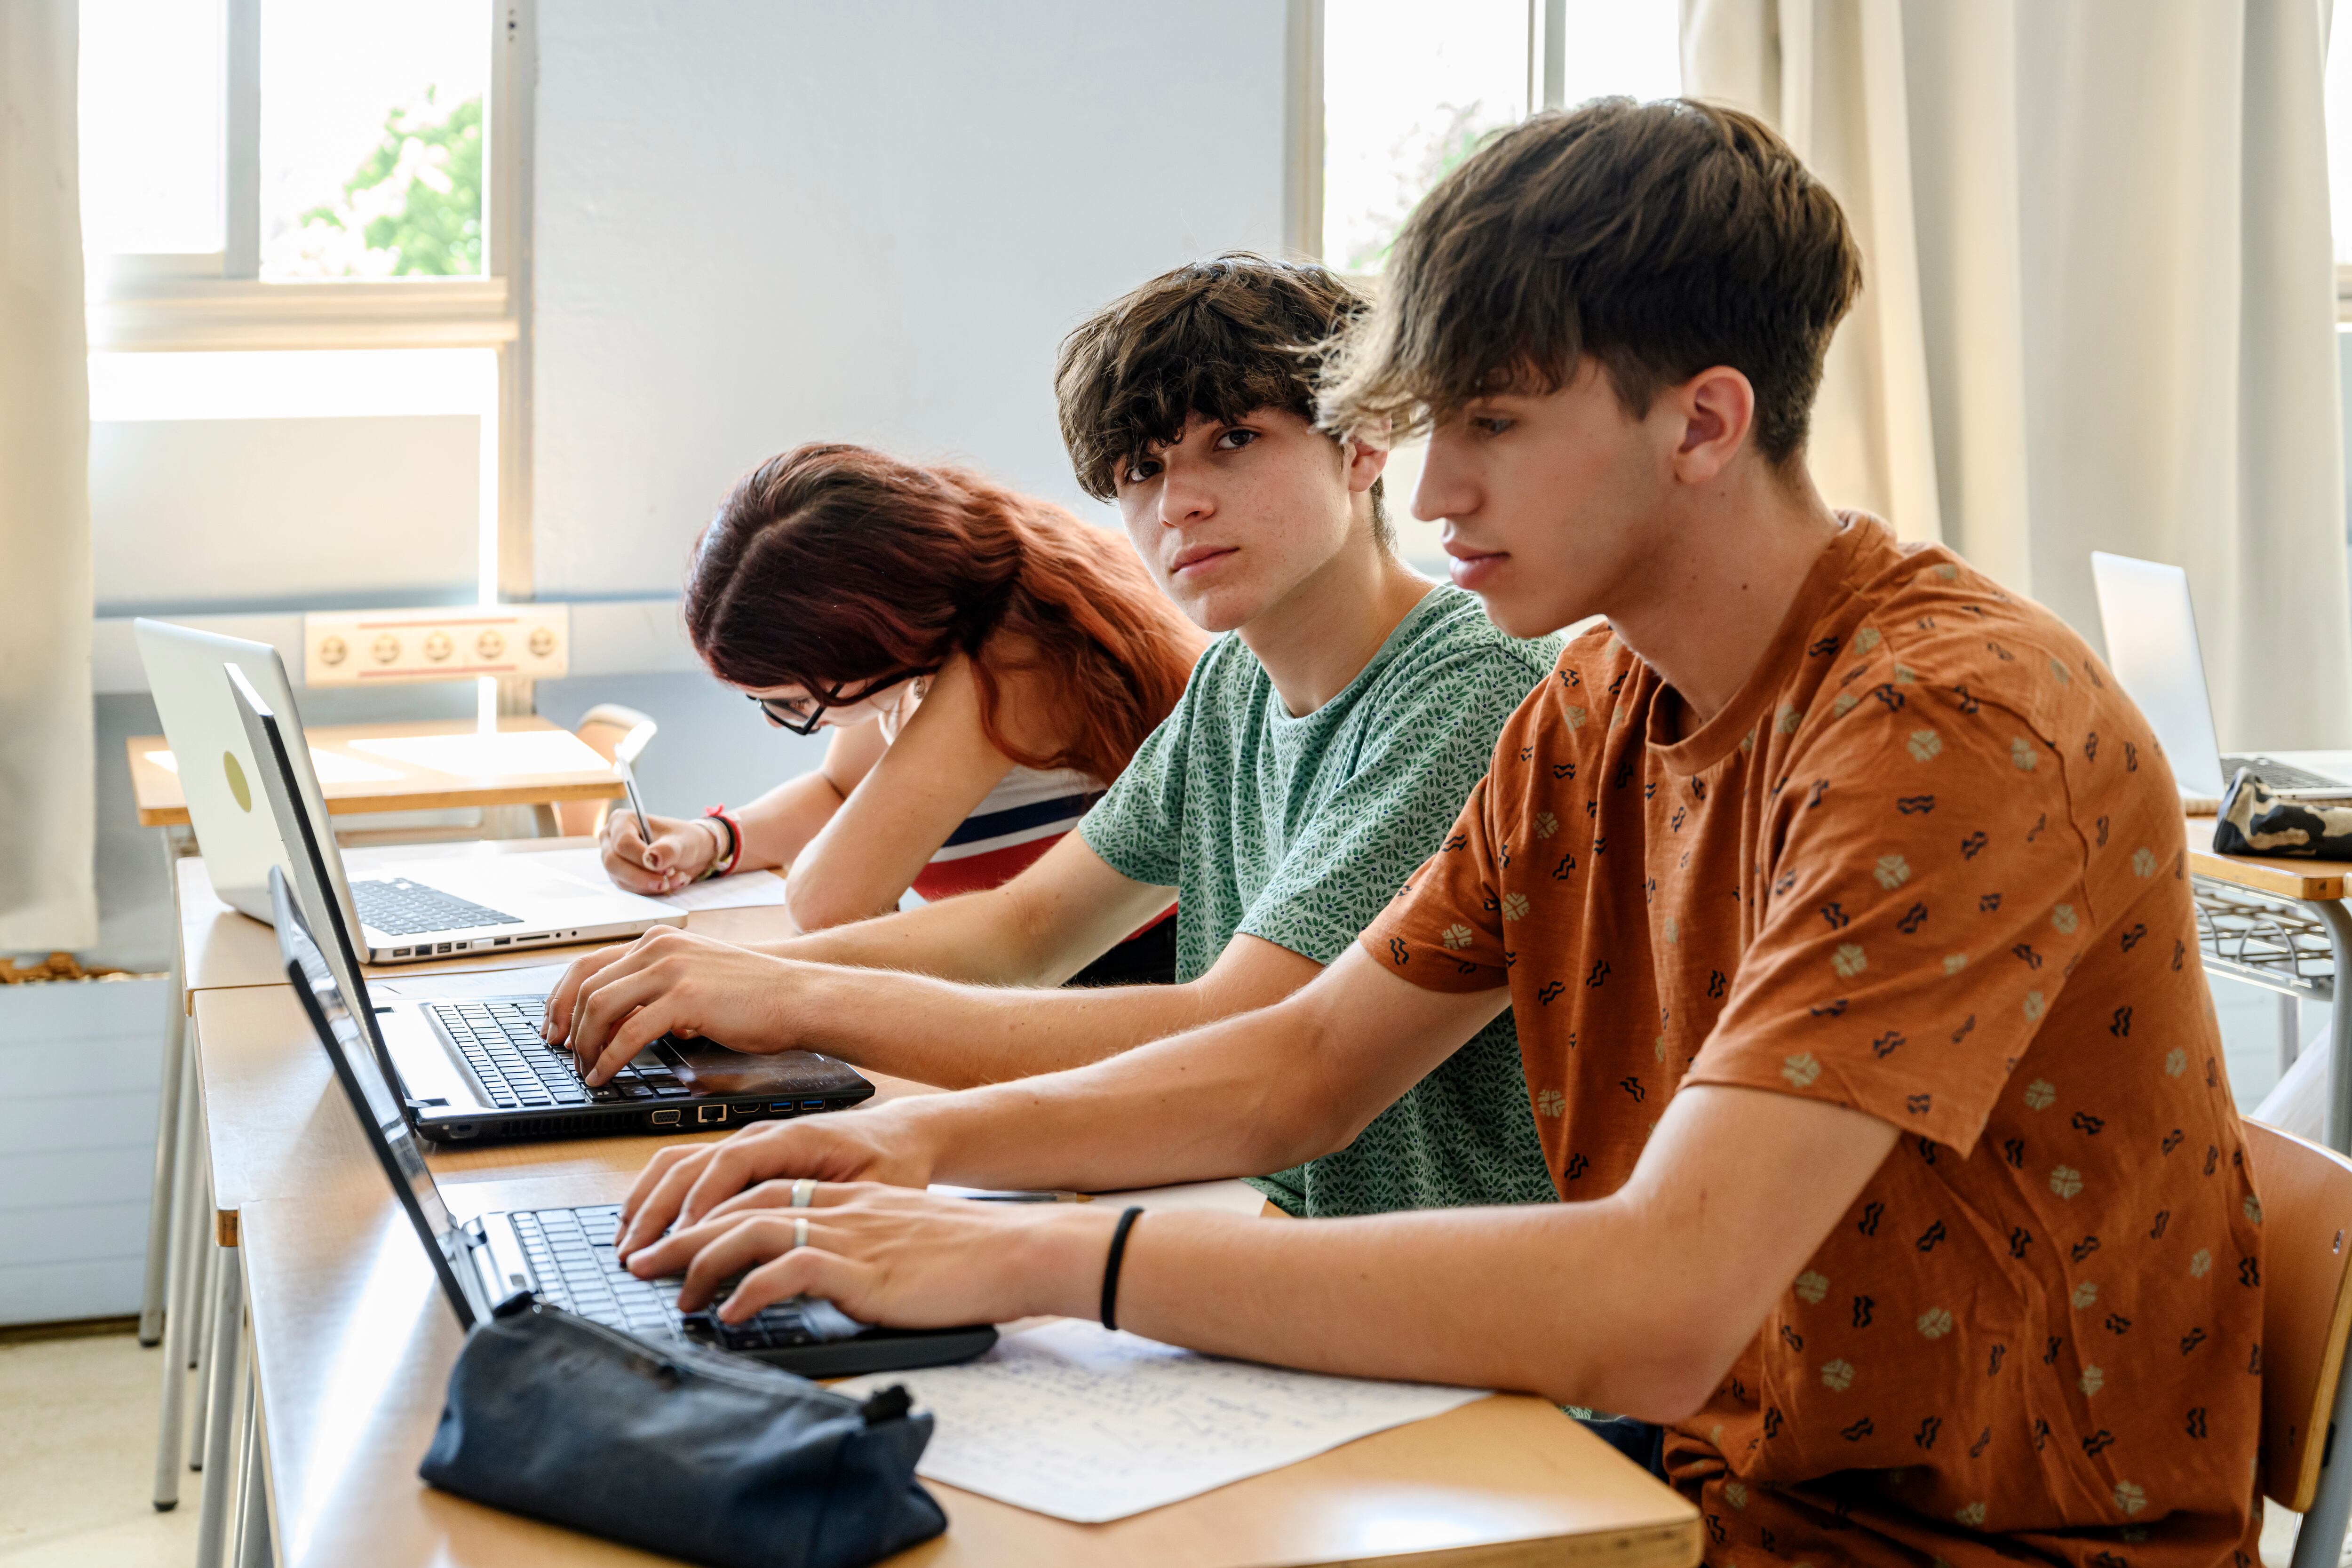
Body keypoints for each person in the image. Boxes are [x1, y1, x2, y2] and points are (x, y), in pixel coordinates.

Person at [599, 102, 2263, 1567]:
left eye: (1496, 424)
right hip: (1663, 1465)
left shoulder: (1943, 724)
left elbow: (1660, 1305)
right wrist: (905, 1155)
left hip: (1912, 1536)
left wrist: (1030, 1251)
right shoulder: (1596, 702)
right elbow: (1298, 1064)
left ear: (1699, 422)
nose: (1440, 486)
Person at [547, 254, 1563, 1219]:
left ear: (1365, 442)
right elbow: (1025, 930)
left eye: (1234, 440)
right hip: (1250, 1207)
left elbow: (1238, 1028)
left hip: (1423, 1278)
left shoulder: (1472, 689)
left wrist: (797, 995)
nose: (1179, 503)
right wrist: (726, 977)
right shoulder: (1234, 682)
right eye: (1140, 467)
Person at [607, 444, 1205, 986]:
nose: (777, 722)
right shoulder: (934, 622)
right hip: (1035, 982)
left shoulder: (1013, 661)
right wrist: (713, 840)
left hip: (1118, 988)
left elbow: (827, 903)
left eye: (795, 704)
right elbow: (840, 790)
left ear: (874, 643)